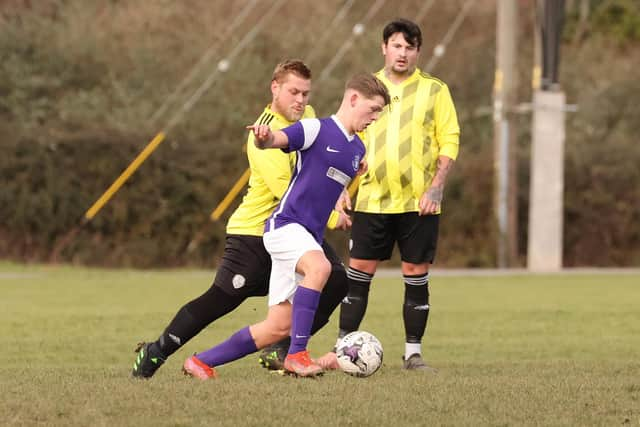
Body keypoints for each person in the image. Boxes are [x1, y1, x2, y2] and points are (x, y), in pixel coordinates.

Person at [132, 59, 353, 378]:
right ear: (274, 88)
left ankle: (283, 351)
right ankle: (155, 353)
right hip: (253, 235)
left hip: (293, 229)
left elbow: (320, 161)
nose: (300, 100)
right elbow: (285, 188)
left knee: (335, 279)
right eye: (293, 92)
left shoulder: (308, 117)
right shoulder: (262, 132)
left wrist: (340, 185)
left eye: (305, 93)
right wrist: (333, 216)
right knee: (219, 301)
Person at [181, 72, 390, 379]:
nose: (375, 118)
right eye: (373, 110)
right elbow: (279, 139)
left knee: (276, 327)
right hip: (285, 226)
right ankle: (297, 355)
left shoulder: (357, 149)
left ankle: (201, 362)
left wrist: (354, 170)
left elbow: (328, 179)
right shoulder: (315, 128)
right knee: (321, 269)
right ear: (353, 99)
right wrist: (264, 138)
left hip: (306, 236)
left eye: (379, 113)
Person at [318, 18, 461, 371]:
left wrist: (437, 187)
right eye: (397, 45)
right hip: (371, 199)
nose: (403, 53)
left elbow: (450, 140)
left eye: (410, 47)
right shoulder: (365, 87)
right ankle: (342, 350)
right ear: (384, 47)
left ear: (418, 52)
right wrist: (339, 190)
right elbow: (343, 138)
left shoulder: (435, 90)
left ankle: (413, 353)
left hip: (418, 203)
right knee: (359, 273)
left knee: (415, 272)